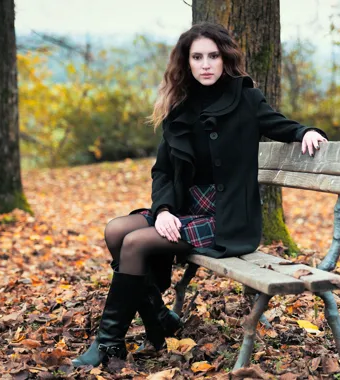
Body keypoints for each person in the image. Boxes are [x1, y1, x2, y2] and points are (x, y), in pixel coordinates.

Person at [72, 21, 327, 367]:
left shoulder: (245, 97)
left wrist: (306, 131)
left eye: (213, 56)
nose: (206, 64)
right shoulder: (181, 107)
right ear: (187, 62)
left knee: (134, 244)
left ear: (224, 59)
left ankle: (110, 344)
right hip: (185, 208)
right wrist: (162, 210)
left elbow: (278, 124)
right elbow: (163, 171)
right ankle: (159, 317)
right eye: (197, 57)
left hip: (225, 218)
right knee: (117, 229)